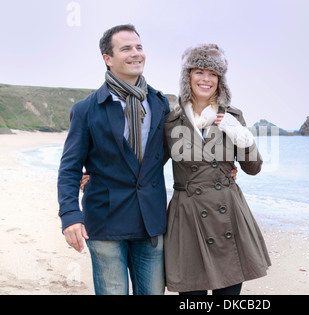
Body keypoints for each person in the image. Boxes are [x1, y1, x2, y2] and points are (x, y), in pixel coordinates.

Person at [57, 24, 170, 295]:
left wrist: (224, 167)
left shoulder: (160, 103)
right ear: (107, 58)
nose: (136, 53)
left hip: (150, 220)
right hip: (104, 218)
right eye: (126, 48)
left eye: (139, 47)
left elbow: (167, 154)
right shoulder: (86, 110)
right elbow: (70, 167)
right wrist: (71, 215)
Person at [163, 44, 271, 295]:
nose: (206, 79)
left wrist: (242, 136)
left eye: (213, 74)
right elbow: (150, 166)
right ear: (187, 76)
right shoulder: (170, 120)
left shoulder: (232, 116)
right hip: (188, 216)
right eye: (199, 71)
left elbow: (253, 168)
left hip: (228, 213)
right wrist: (101, 174)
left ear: (220, 81)